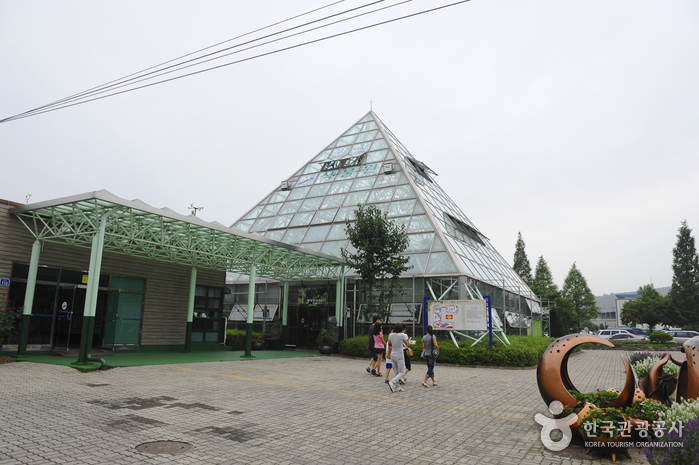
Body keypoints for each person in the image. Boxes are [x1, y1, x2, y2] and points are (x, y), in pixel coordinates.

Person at [387, 323, 409, 393]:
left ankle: (397, 387)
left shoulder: (390, 335)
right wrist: (409, 341)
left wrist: (389, 353)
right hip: (399, 355)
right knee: (402, 372)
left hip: (392, 354)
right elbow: (407, 344)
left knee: (396, 372)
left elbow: (389, 345)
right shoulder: (401, 335)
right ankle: (392, 382)